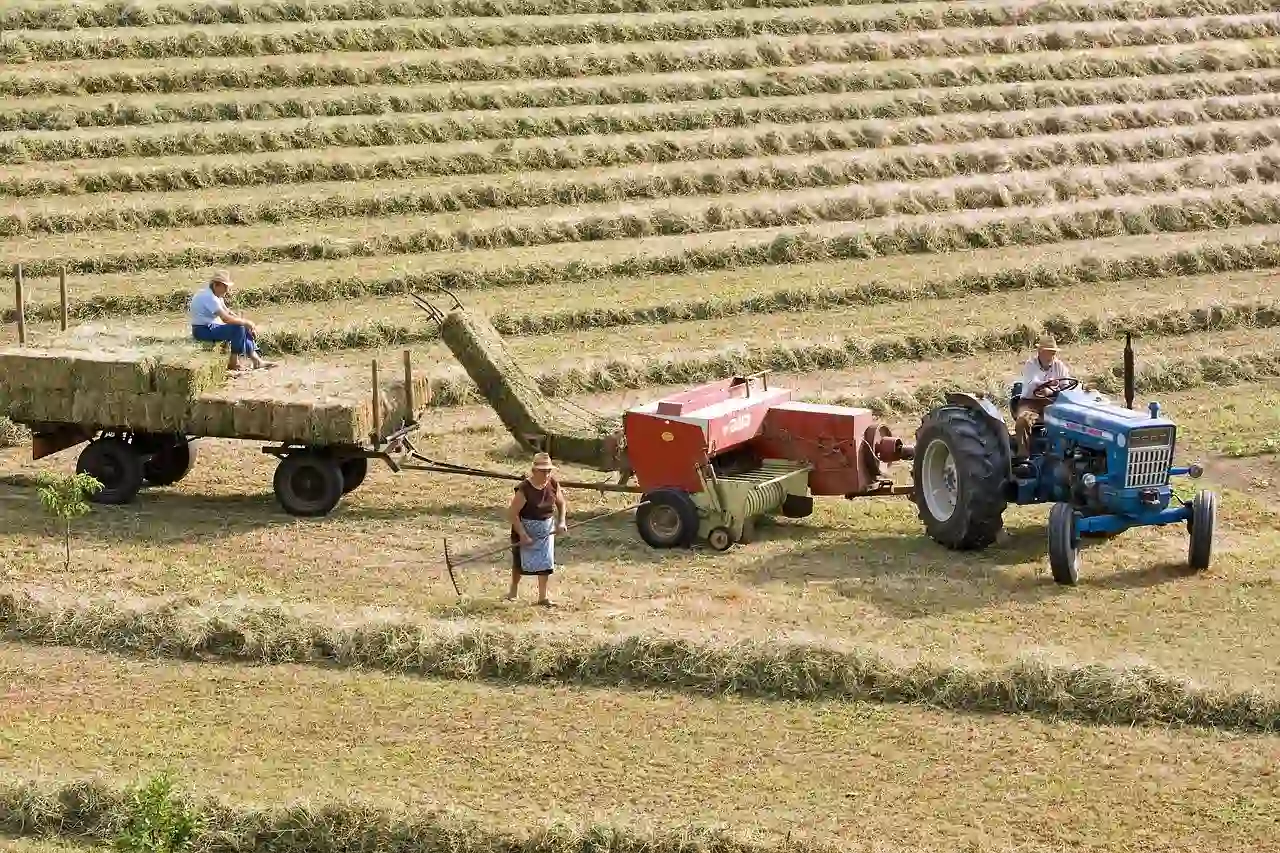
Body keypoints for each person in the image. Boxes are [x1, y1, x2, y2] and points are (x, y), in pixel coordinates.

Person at [506, 452, 568, 606]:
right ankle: (513, 591)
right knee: (519, 563)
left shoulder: (553, 484)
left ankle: (542, 597)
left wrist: (561, 522)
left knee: (545, 563)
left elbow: (561, 503)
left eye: (549, 471)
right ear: (534, 471)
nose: (546, 474)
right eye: (543, 471)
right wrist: (522, 534)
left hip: (545, 528)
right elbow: (512, 514)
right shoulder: (524, 489)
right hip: (524, 527)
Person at [189, 270, 275, 372]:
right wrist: (245, 323)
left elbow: (228, 312)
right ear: (216, 285)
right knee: (238, 327)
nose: (227, 290)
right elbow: (225, 319)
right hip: (203, 330)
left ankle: (256, 360)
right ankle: (233, 362)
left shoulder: (216, 295)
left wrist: (245, 323)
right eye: (225, 287)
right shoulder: (209, 297)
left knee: (241, 325)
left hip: (211, 327)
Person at [1013, 333, 1072, 460]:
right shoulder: (1031, 365)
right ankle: (1023, 457)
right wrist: (1046, 387)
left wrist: (1052, 391)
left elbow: (1066, 386)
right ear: (1040, 351)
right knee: (1023, 421)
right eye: (1049, 352)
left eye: (1054, 352)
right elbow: (1032, 384)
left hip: (1052, 403)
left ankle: (1064, 455)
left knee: (1070, 421)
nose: (1053, 355)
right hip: (1031, 402)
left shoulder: (1059, 366)